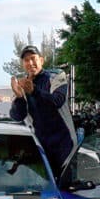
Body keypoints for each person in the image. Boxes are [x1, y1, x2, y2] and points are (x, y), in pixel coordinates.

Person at [10, 45, 76, 180]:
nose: (30, 63)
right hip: (40, 144)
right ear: (23, 64)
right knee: (43, 186)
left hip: (64, 143)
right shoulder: (22, 83)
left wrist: (34, 91)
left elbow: (57, 101)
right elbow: (17, 116)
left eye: (33, 58)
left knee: (66, 185)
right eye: (26, 60)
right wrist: (19, 97)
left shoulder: (56, 75)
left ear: (41, 60)